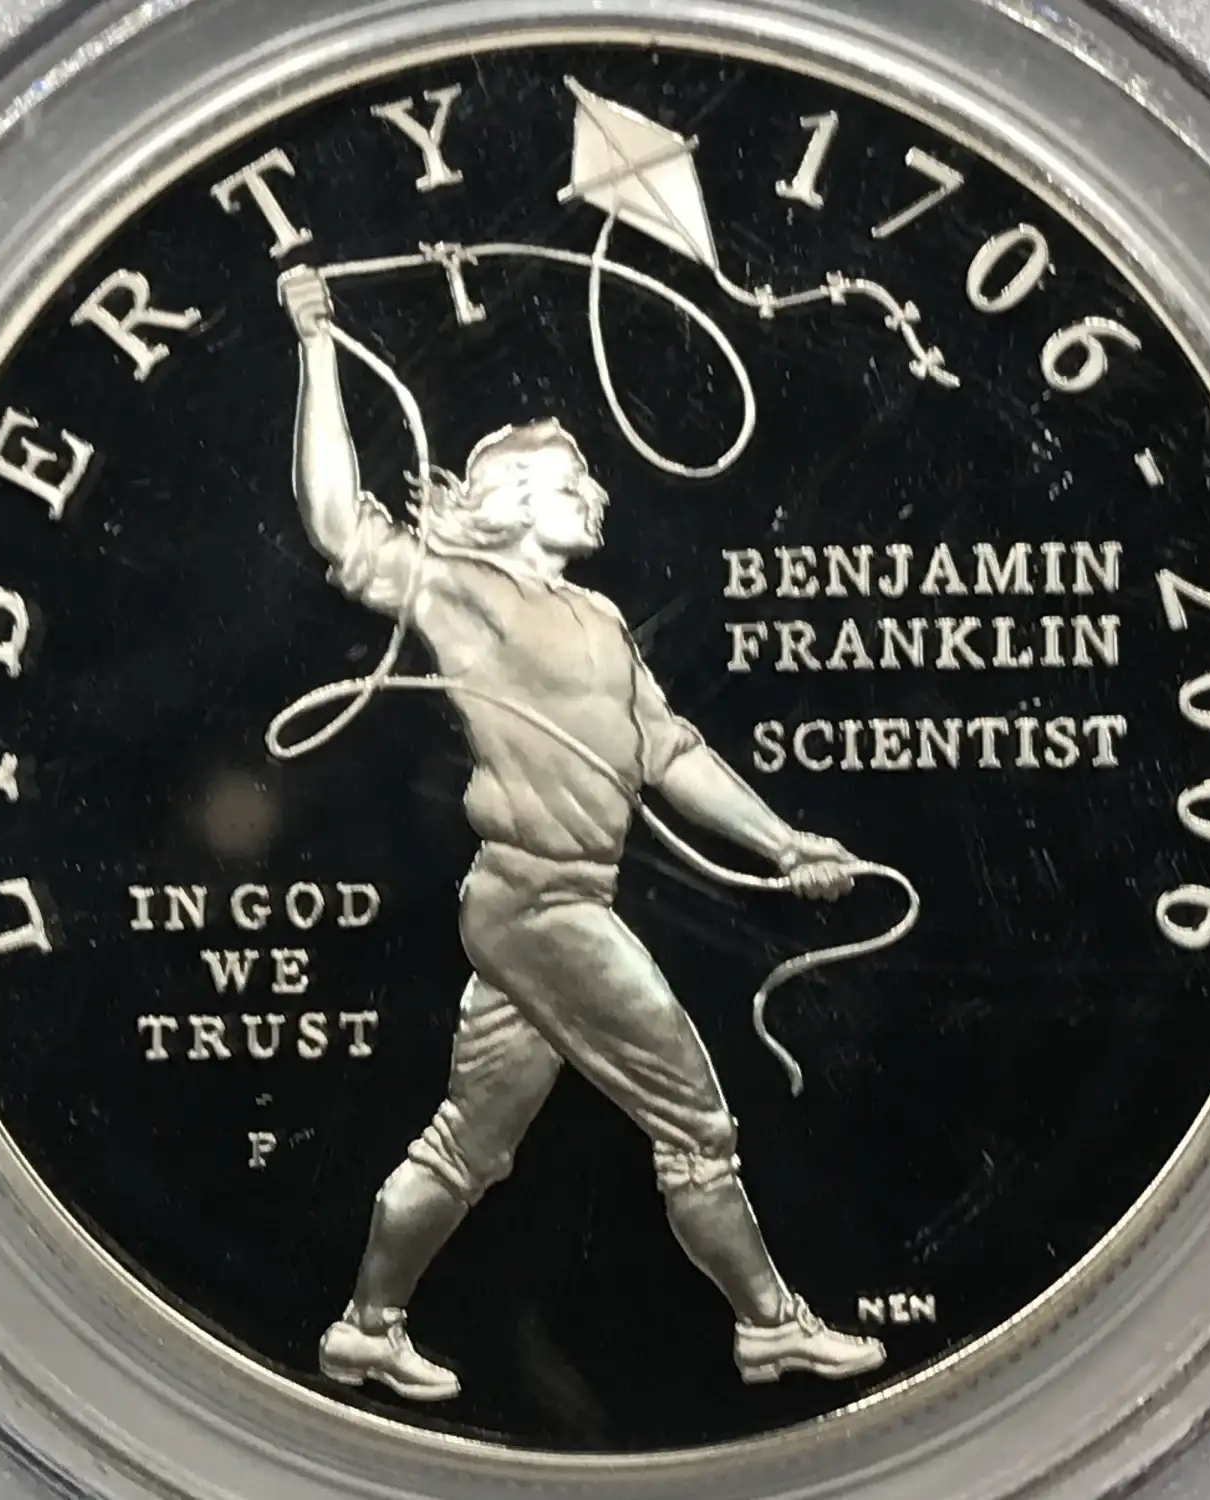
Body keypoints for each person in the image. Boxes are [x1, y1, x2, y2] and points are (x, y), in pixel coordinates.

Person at [279, 266, 887, 1401]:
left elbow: (668, 750)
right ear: (510, 501)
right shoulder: (465, 592)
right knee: (697, 1124)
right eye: (570, 482)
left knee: (468, 1143)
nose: (595, 493)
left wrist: (785, 843)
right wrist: (317, 348)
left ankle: (365, 1327)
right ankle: (771, 1327)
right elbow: (337, 523)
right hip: (538, 903)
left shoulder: (599, 617)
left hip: (561, 905)